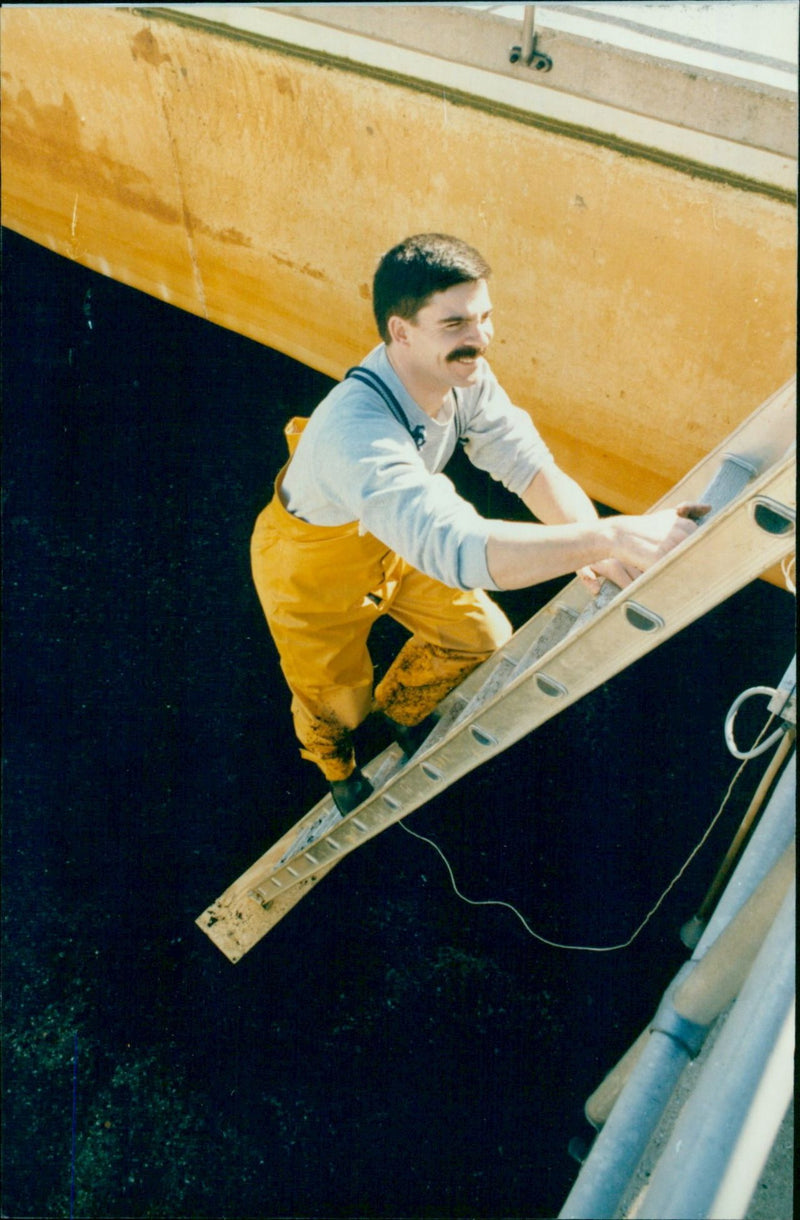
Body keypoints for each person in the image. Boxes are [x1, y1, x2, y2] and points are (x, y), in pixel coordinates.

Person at [251, 234, 706, 813]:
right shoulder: (356, 433)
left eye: (485, 317)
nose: (481, 339)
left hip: (399, 539)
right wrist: (608, 535)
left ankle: (396, 715)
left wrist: (595, 550)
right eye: (456, 324)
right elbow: (456, 547)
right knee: (336, 702)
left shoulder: (462, 377)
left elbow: (529, 465)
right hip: (311, 567)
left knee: (480, 639)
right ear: (401, 331)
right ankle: (336, 765)